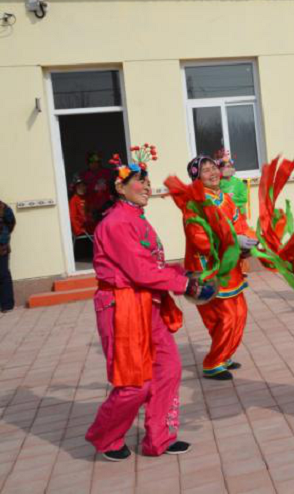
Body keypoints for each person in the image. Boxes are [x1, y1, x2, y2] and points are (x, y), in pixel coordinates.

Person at [85, 145, 214, 462]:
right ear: (120, 187)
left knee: (168, 369)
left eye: (147, 180)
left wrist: (188, 272)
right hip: (122, 307)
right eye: (140, 181)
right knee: (134, 383)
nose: (147, 187)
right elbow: (139, 270)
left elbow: (151, 263)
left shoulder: (137, 219)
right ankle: (107, 437)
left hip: (148, 304)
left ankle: (160, 437)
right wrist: (185, 284)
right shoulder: (116, 223)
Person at [175, 155, 259, 380]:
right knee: (224, 317)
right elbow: (200, 240)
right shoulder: (194, 205)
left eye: (214, 167)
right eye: (205, 170)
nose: (213, 173)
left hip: (230, 268)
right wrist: (233, 241)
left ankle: (224, 354)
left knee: (239, 313)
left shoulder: (225, 198)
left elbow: (240, 223)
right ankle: (213, 362)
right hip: (209, 270)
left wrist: (248, 240)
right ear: (196, 178)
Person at [80, 152, 115, 227]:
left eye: (96, 162)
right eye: (91, 163)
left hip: (107, 204)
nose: (94, 164)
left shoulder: (107, 172)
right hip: (91, 206)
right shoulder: (84, 175)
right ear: (88, 164)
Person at [216, 150, 249, 217]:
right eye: (226, 167)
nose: (228, 169)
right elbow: (217, 200)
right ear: (220, 170)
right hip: (225, 216)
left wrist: (228, 200)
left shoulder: (239, 182)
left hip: (239, 214)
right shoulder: (218, 184)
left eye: (229, 166)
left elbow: (244, 198)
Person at [0, 198, 15, 313]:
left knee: (3, 273)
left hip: (1, 246)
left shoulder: (2, 207)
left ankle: (7, 305)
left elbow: (11, 222)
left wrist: (4, 238)